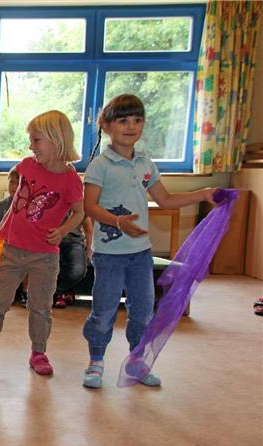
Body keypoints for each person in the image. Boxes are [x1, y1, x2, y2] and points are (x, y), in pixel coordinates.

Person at [81, 94, 216, 389]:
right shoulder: (100, 166)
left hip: (140, 254)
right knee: (104, 310)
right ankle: (96, 361)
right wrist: (118, 222)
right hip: (109, 254)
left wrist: (202, 193)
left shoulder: (145, 163)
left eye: (137, 120)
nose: (131, 126)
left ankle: (136, 361)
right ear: (106, 125)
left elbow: (166, 199)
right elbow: (89, 207)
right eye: (123, 120)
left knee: (143, 310)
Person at [0, 110, 84, 376]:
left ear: (56, 139)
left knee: (40, 308)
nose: (30, 146)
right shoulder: (27, 165)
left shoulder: (71, 180)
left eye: (36, 140)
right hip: (13, 251)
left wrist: (62, 230)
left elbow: (80, 212)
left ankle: (39, 353)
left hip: (45, 256)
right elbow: (16, 201)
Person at [0, 165, 27, 305]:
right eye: (12, 182)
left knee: (27, 261)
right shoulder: (1, 205)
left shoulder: (27, 205)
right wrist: (3, 241)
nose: (14, 187)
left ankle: (24, 292)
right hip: (4, 244)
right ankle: (0, 292)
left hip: (23, 244)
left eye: (18, 183)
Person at [52, 213, 93, 309]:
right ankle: (60, 293)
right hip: (51, 239)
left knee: (78, 271)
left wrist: (89, 249)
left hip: (74, 241)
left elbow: (88, 227)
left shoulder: (78, 201)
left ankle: (58, 291)